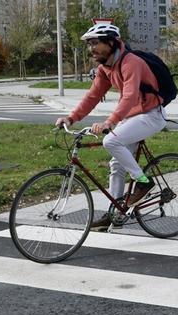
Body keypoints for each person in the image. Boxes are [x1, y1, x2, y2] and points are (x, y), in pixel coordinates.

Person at [54, 23, 166, 230]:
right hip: (132, 118)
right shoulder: (105, 69)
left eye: (96, 43)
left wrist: (110, 122)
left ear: (111, 43)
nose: (91, 49)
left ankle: (143, 181)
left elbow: (131, 96)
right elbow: (93, 96)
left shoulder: (130, 62)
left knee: (111, 140)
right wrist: (71, 118)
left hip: (150, 115)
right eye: (89, 45)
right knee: (116, 166)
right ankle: (115, 213)